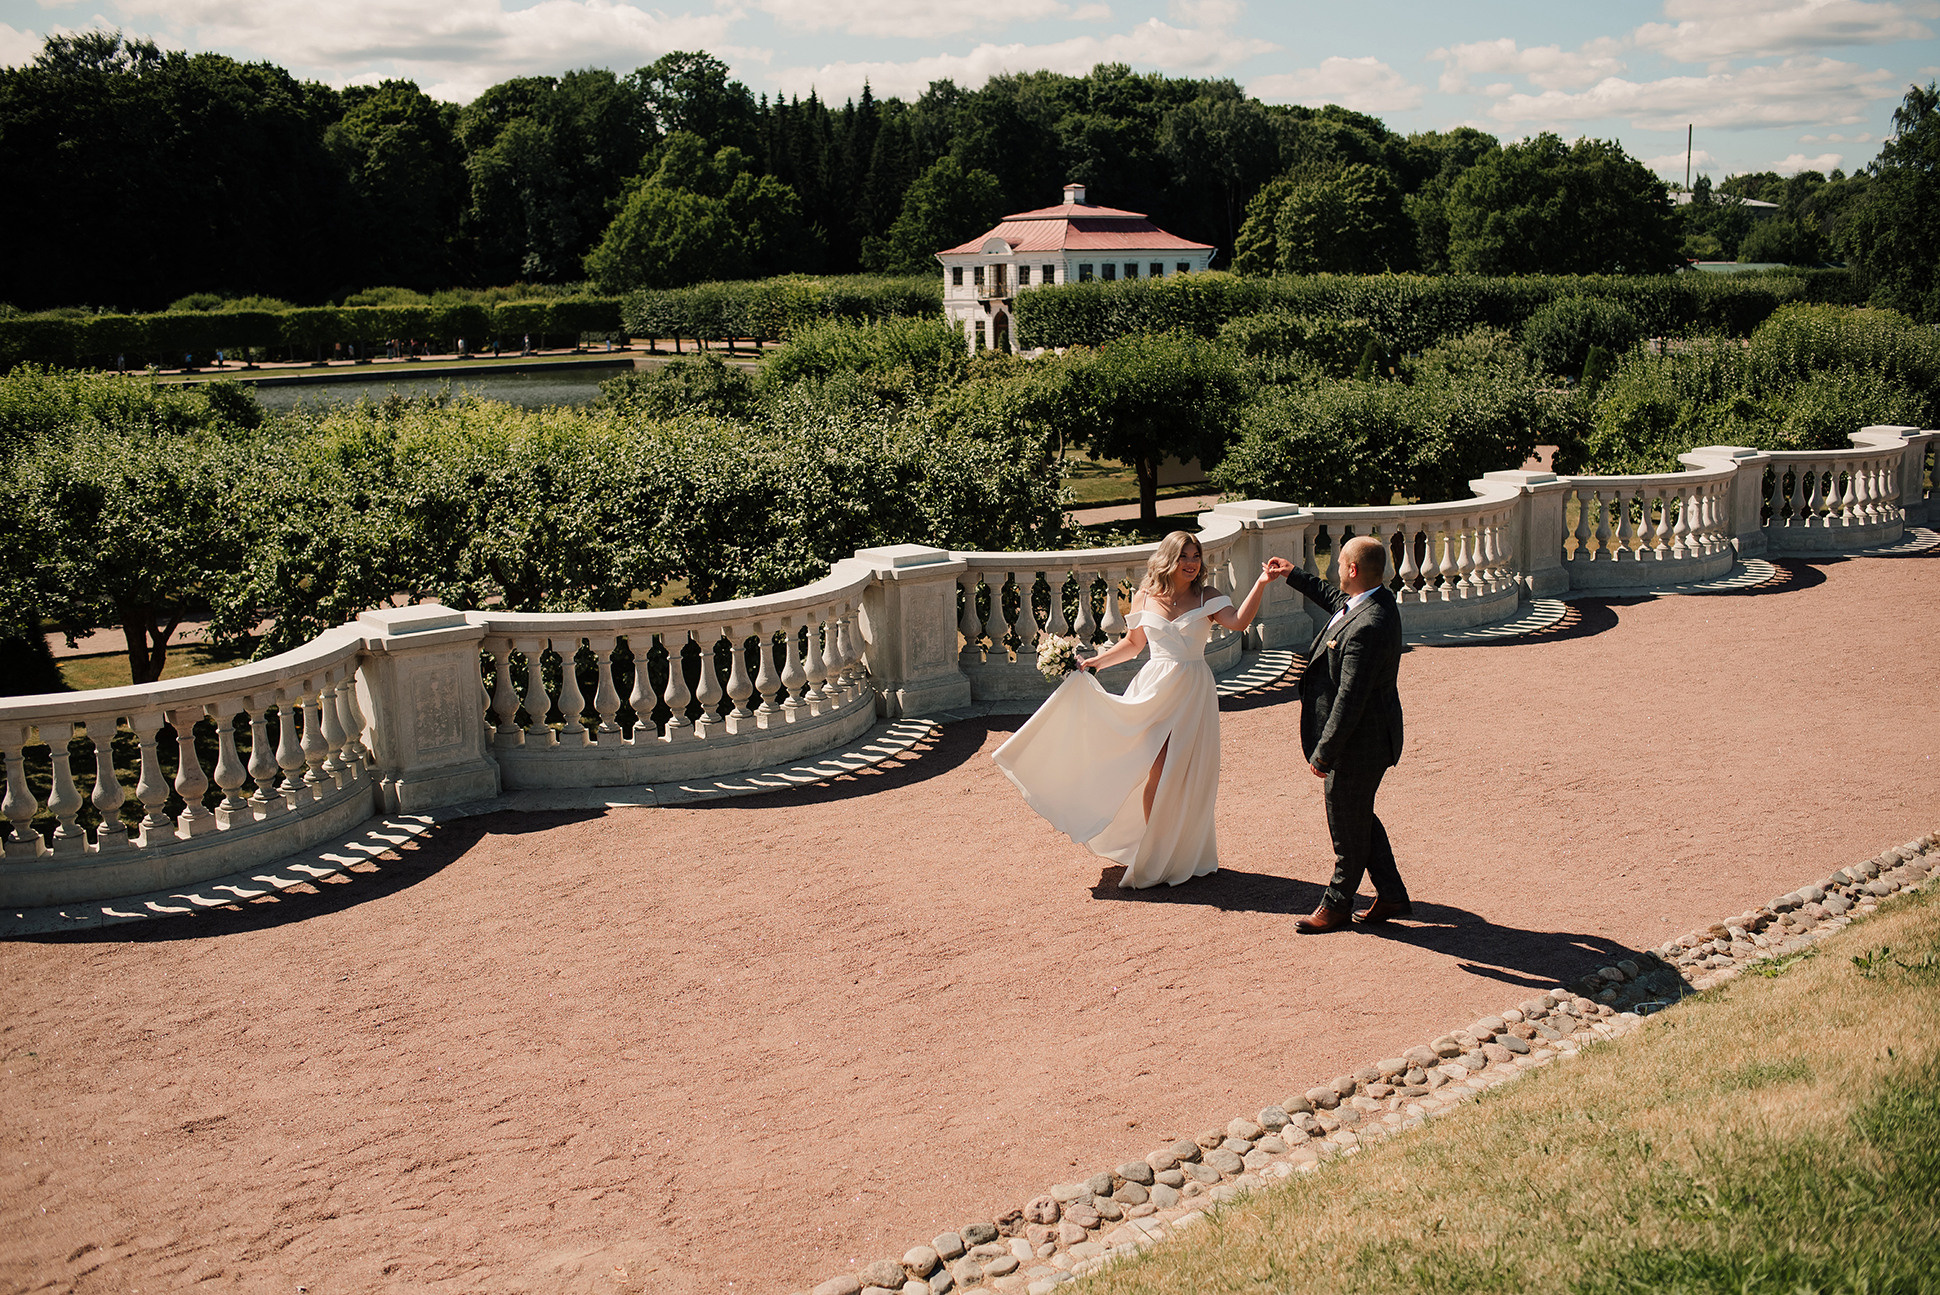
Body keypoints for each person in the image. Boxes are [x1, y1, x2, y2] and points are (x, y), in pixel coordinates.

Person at [992, 531, 1280, 889]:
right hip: (1155, 688)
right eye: (1184, 556)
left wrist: (1262, 582)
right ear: (1168, 559)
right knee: (1155, 769)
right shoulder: (1144, 597)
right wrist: (1095, 663)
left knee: (1184, 772)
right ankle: (1153, 849)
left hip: (1193, 690)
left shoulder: (1209, 596)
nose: (1191, 563)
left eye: (1195, 556)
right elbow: (1132, 645)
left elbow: (1239, 621)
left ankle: (1178, 852)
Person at [1269, 535, 1410, 933]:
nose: (1334, 570)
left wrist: (1324, 753)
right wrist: (1293, 574)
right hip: (1363, 738)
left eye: (1338, 564)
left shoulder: (1371, 624)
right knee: (1357, 815)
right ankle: (1393, 894)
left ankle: (1336, 904)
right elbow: (1335, 600)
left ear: (1352, 570)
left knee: (1345, 822)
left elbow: (1351, 699)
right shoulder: (1372, 601)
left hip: (1359, 744)